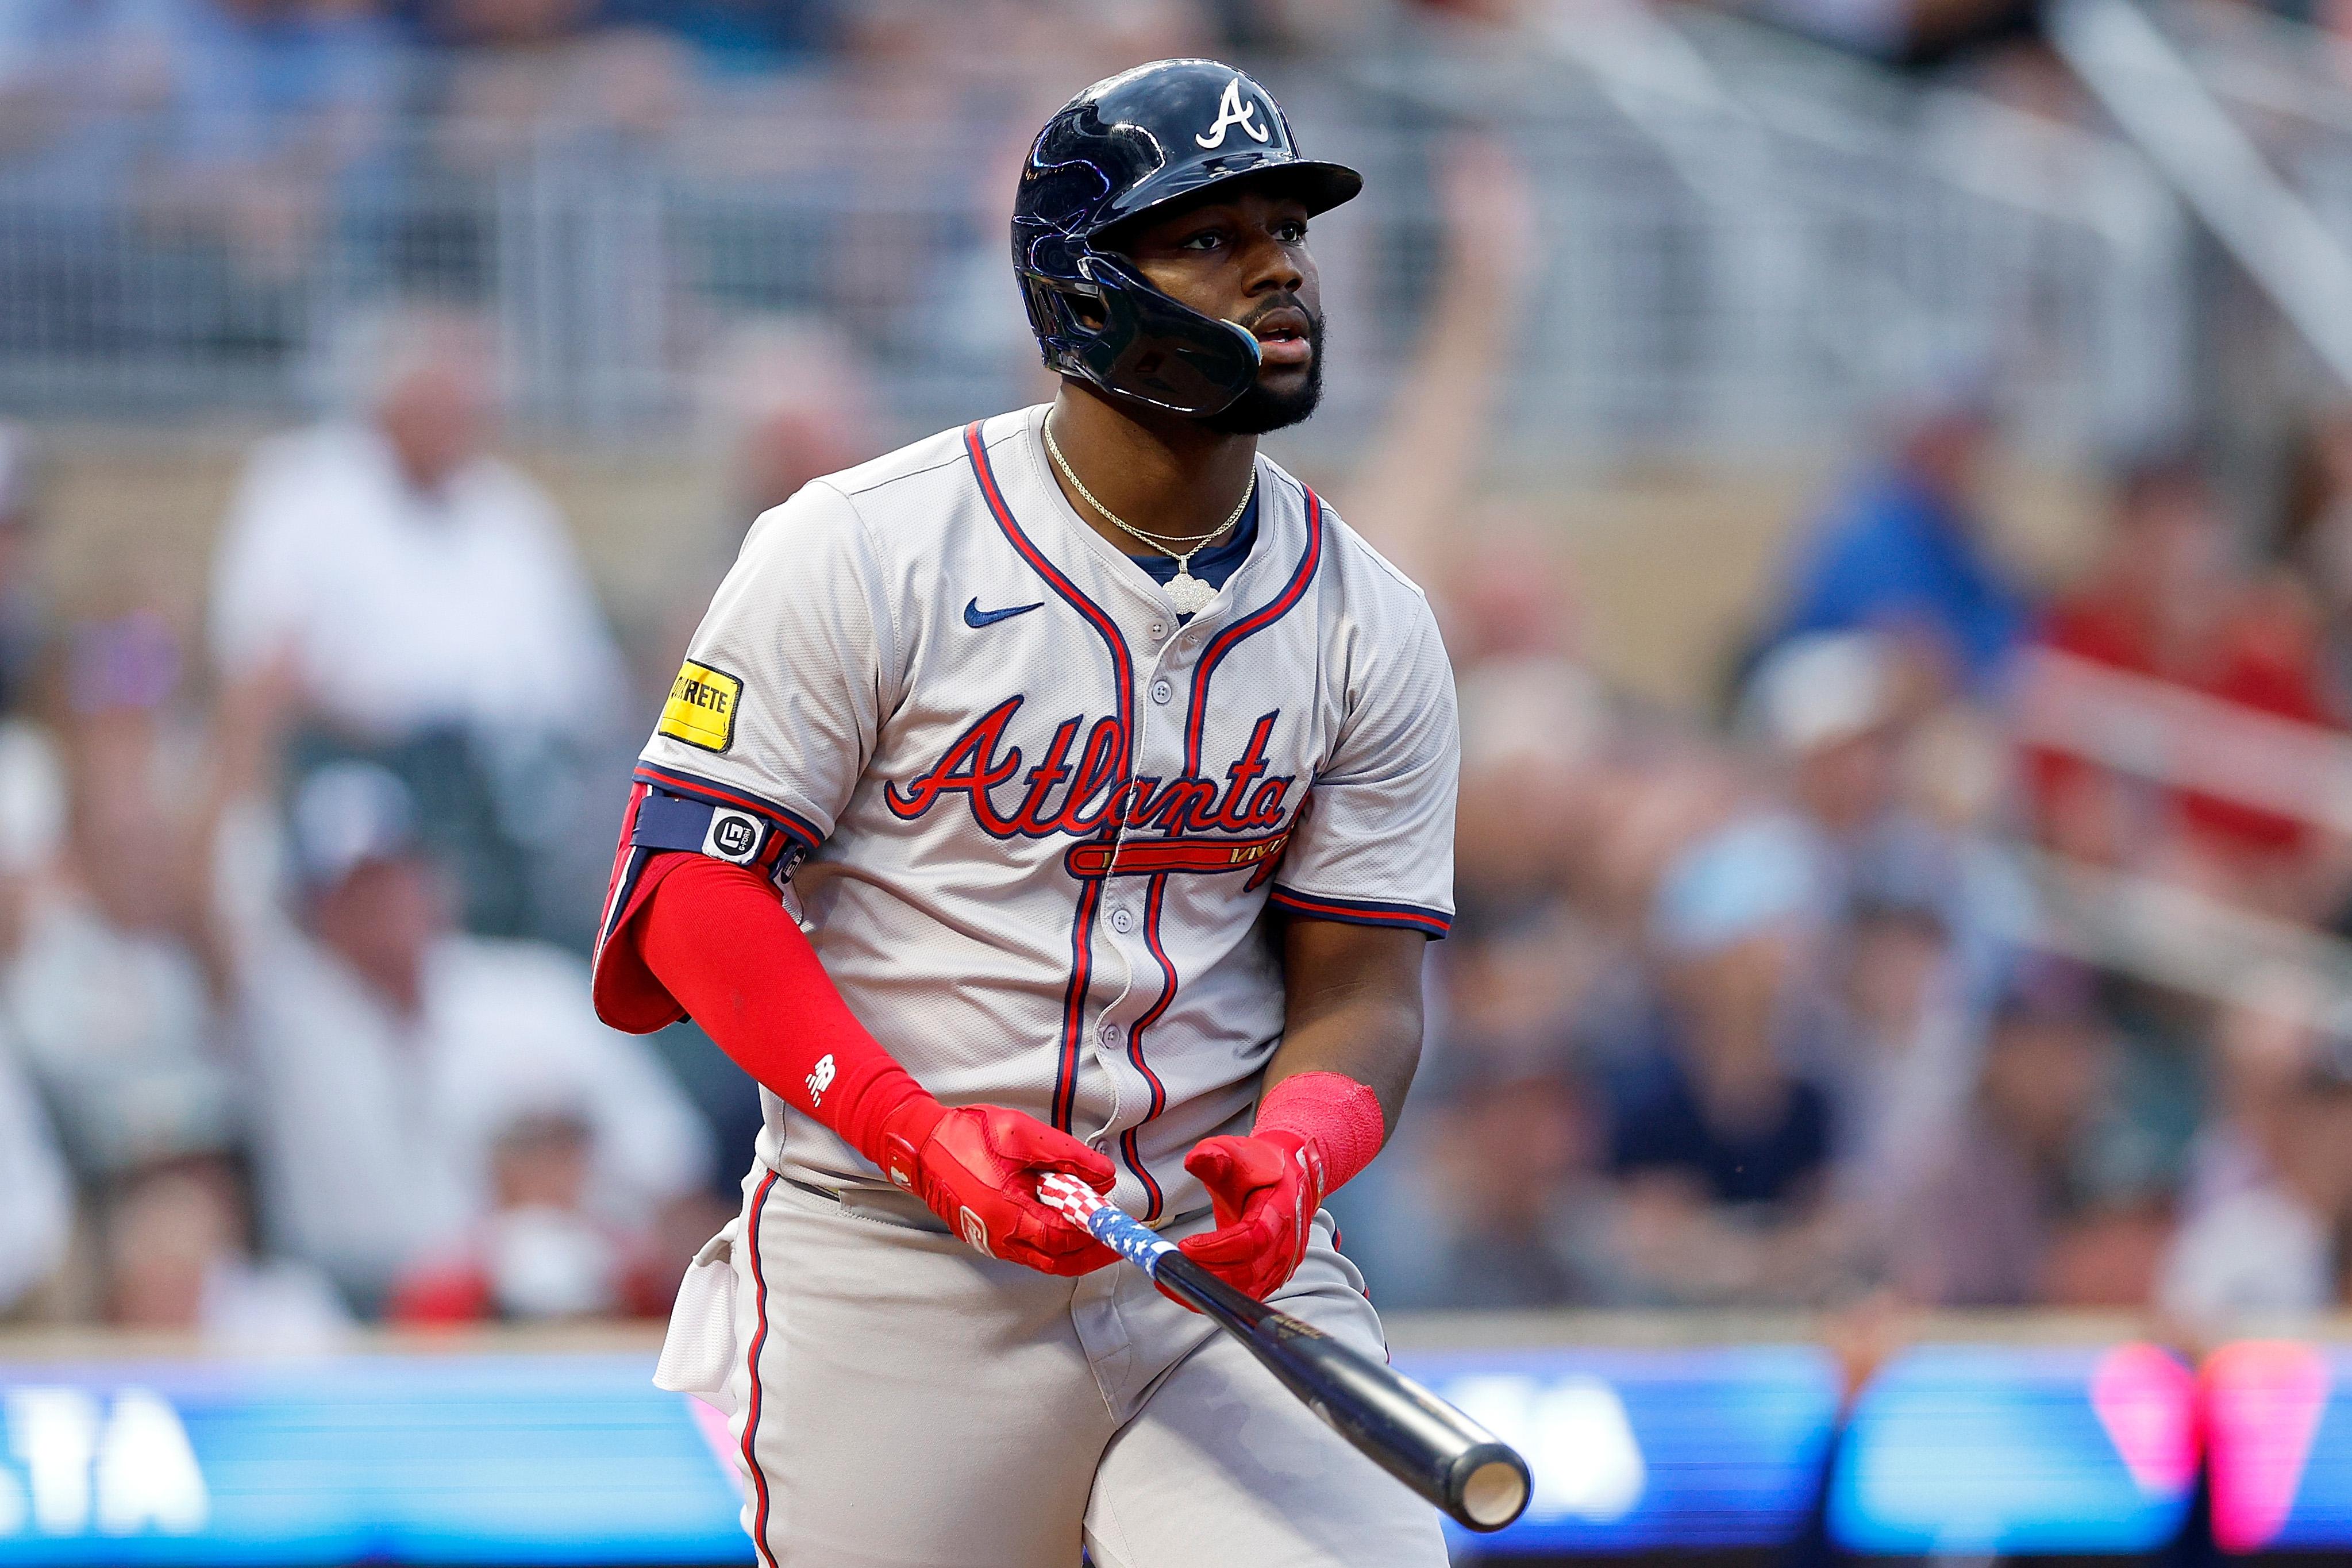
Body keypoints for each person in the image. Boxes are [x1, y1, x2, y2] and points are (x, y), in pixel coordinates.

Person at [592, 61, 1460, 1567]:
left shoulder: (1367, 622)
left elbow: (1368, 982)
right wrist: (914, 1137)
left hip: (1210, 1268)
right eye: (1208, 234)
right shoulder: (859, 551)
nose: (1276, 266)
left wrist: (1307, 1143)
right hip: (899, 1260)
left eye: (1287, 230)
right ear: (1078, 291)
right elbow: (688, 896)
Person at [238, 762, 710, 1309]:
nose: (380, 907)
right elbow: (202, 903)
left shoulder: (535, 992)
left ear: (433, 878)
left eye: (392, 878)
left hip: (556, 1299)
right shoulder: (288, 1013)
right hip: (359, 1310)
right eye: (351, 892)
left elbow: (673, 1175)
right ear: (314, 912)